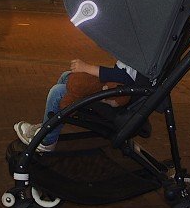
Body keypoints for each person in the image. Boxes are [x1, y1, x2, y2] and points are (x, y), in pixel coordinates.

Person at [15, 57, 145, 153]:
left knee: (57, 92)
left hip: (115, 100)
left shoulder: (140, 55)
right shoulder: (135, 51)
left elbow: (126, 78)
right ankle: (48, 125)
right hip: (114, 90)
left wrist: (88, 68)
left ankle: (47, 140)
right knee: (66, 76)